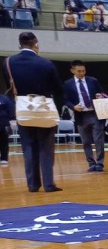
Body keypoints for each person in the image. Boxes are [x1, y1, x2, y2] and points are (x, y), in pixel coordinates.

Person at [5, 32, 63, 192]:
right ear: (36, 44)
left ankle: (32, 184)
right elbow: (58, 88)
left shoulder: (9, 62)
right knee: (46, 147)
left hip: (23, 109)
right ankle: (49, 184)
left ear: (19, 45)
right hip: (44, 107)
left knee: (28, 147)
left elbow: (10, 88)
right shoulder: (46, 63)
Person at [63, 60, 105, 171]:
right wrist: (73, 107)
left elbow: (102, 93)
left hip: (95, 113)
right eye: (79, 71)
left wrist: (99, 96)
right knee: (86, 141)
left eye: (84, 70)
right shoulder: (68, 84)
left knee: (98, 140)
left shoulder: (93, 81)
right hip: (80, 115)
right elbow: (66, 100)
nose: (82, 73)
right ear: (72, 71)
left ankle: (100, 163)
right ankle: (91, 163)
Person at [0, 91, 13, 167]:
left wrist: (7, 119)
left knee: (4, 142)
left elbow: (11, 110)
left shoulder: (4, 98)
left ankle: (4, 158)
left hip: (3, 124)